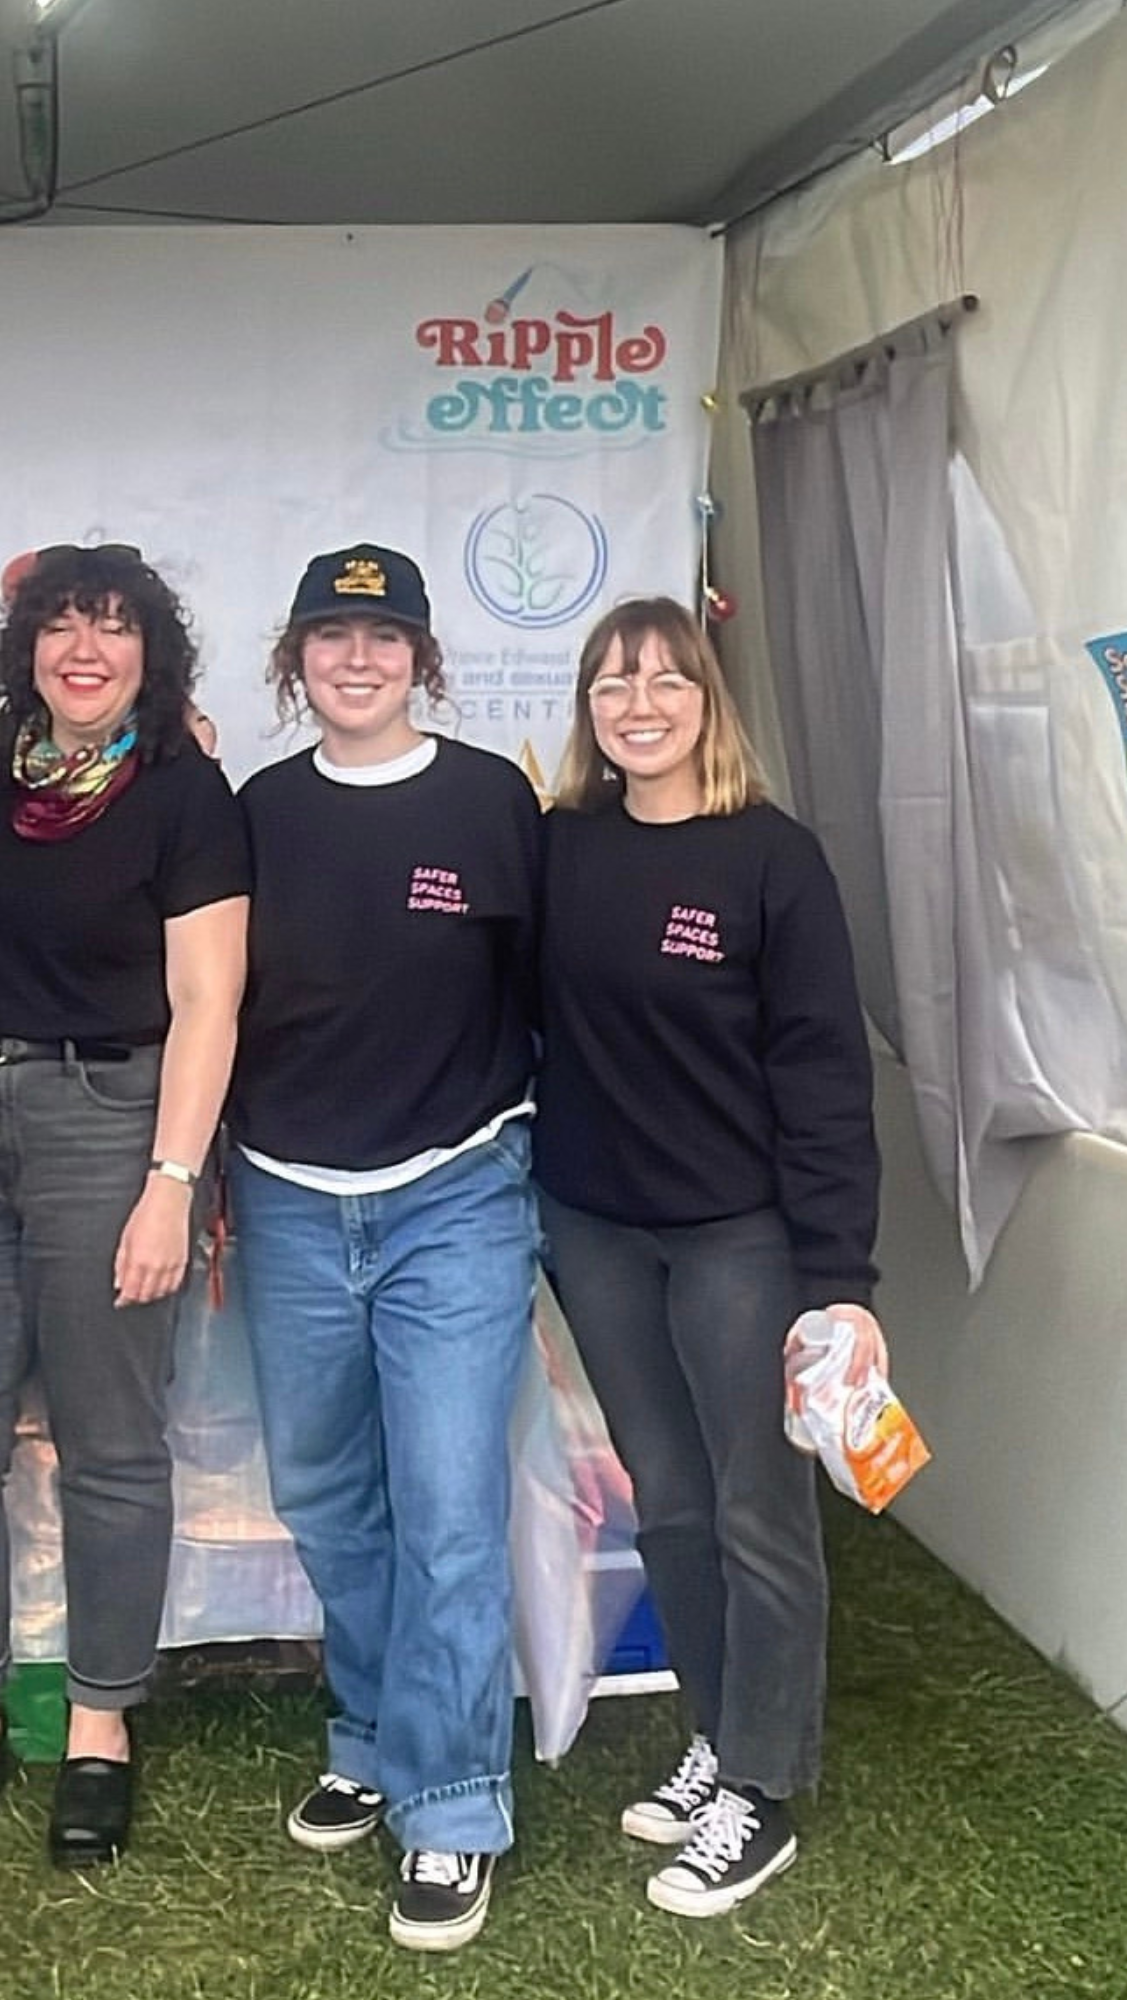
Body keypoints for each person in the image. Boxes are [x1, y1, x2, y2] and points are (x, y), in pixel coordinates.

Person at [0, 543, 249, 1869]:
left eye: (115, 627)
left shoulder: (184, 793)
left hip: (110, 1127)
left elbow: (208, 998)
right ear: (22, 647)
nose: (86, 648)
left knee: (110, 1442)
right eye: (61, 626)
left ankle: (100, 1727)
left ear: (153, 653)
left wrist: (171, 1182)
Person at [532, 595, 883, 1919]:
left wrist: (840, 1285)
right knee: (670, 1504)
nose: (639, 705)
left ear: (706, 699)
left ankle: (766, 1785)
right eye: (614, 683)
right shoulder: (562, 846)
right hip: (598, 1230)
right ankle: (716, 1731)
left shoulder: (772, 860)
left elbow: (826, 1078)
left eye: (666, 681)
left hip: (740, 1237)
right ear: (588, 705)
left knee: (758, 1511)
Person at [223, 544, 542, 1952]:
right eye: (333, 638)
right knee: (329, 1496)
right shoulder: (258, 811)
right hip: (289, 1195)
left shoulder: (490, 800)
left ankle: (455, 1806)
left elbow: (545, 993)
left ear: (424, 660)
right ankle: (373, 1731)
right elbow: (219, 1004)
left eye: (385, 638)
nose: (359, 660)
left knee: (454, 1508)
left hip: (457, 1194)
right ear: (298, 661)